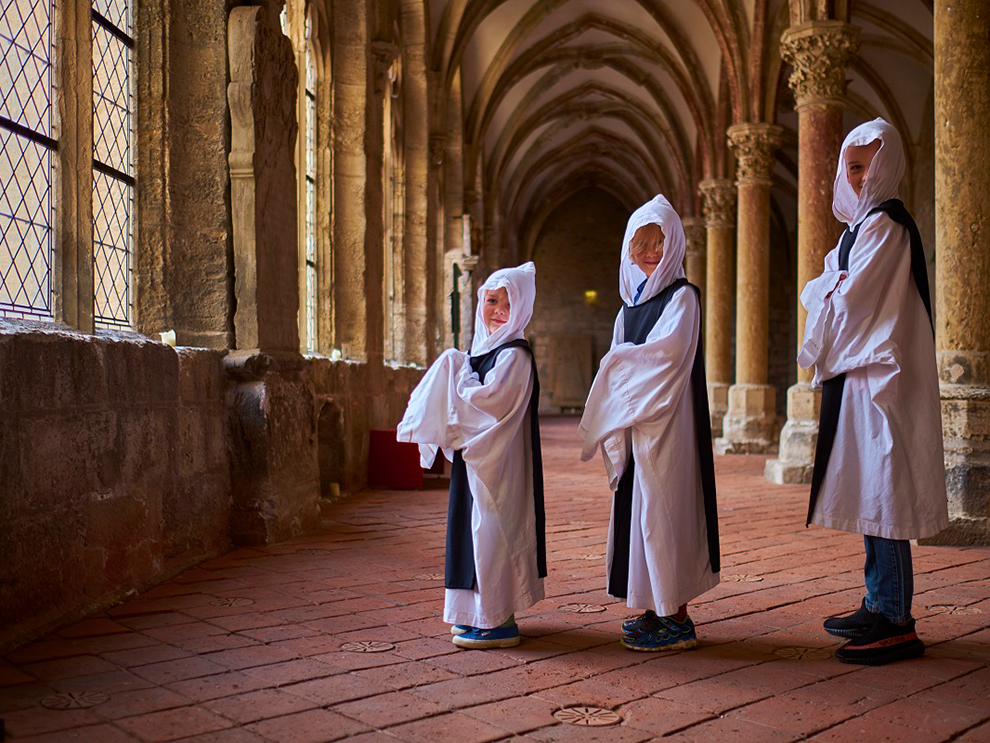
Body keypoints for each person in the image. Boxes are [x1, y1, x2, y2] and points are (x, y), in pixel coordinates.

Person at [799, 118, 948, 665]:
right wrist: (828, 286)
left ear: (888, 166)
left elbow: (847, 295)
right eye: (851, 167)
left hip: (883, 378)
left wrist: (828, 287)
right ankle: (877, 601)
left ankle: (897, 620)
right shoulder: (857, 231)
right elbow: (824, 288)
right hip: (861, 376)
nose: (859, 176)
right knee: (869, 490)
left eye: (867, 165)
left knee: (886, 492)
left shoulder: (886, 226)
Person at [577, 195, 719, 652]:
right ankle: (651, 609)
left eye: (660, 242)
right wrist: (618, 377)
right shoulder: (626, 310)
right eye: (642, 244)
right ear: (628, 251)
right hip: (635, 428)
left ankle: (676, 617)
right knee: (639, 518)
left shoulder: (683, 297)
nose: (651, 252)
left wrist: (617, 370)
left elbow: (668, 356)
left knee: (666, 515)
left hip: (668, 428)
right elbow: (620, 363)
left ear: (675, 243)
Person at [396, 262, 546, 649]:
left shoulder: (515, 356)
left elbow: (487, 404)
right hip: (475, 460)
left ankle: (499, 620)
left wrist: (458, 373)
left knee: (493, 534)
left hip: (499, 462)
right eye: (492, 300)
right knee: (472, 532)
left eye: (508, 304)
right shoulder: (480, 352)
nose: (498, 310)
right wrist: (458, 367)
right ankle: (476, 614)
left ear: (524, 308)